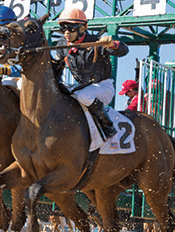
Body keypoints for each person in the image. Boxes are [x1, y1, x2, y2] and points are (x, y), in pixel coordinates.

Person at [51, 7, 129, 140]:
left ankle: (107, 125)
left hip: (103, 87)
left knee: (83, 96)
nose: (66, 33)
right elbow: (56, 67)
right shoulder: (62, 44)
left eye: (70, 29)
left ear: (82, 28)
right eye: (63, 29)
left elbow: (123, 50)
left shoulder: (97, 42)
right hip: (82, 87)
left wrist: (112, 44)